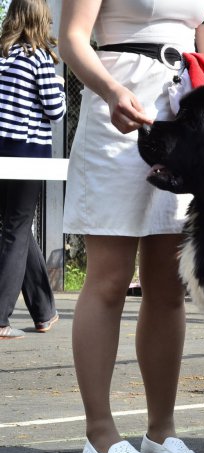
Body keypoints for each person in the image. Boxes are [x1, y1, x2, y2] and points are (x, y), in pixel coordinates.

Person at [59, 0, 204, 453]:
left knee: (168, 286)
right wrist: (109, 90)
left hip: (182, 112)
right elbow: (72, 39)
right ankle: (100, 432)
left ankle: (160, 430)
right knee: (108, 277)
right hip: (117, 108)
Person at [0, 0, 64, 340]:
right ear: (40, 20)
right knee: (16, 228)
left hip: (0, 151)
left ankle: (43, 311)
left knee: (16, 228)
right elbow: (56, 111)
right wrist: (62, 90)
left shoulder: (2, 55)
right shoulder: (37, 58)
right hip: (27, 152)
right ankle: (0, 316)